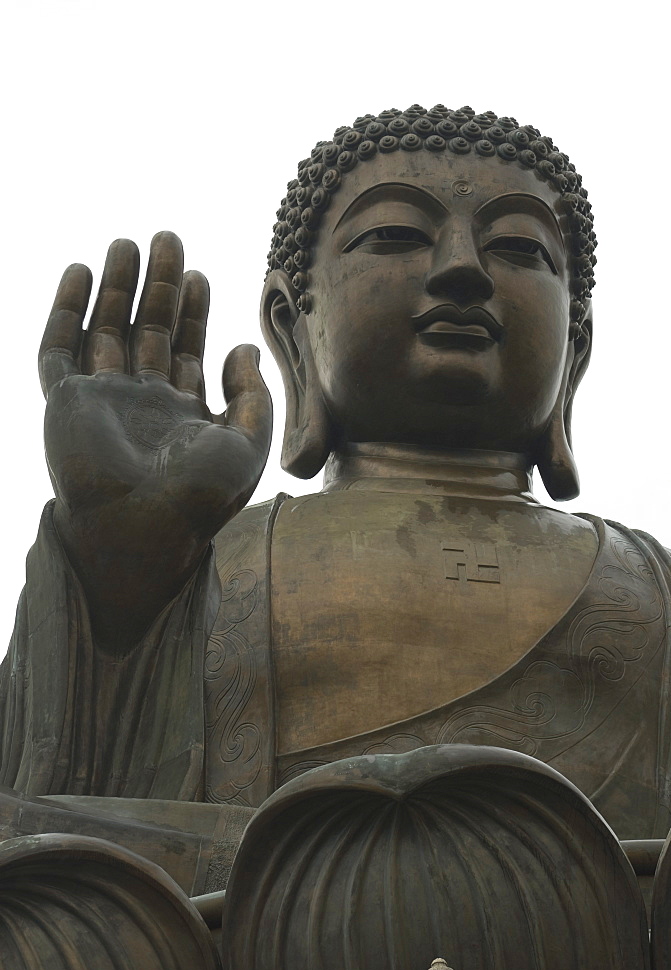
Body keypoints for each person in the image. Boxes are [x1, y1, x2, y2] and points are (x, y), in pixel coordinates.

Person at [1, 105, 667, 878]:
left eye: (518, 247)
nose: (462, 268)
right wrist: (121, 563)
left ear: (574, 346)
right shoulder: (207, 562)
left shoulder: (649, 584)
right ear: (291, 325)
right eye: (393, 236)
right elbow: (51, 823)